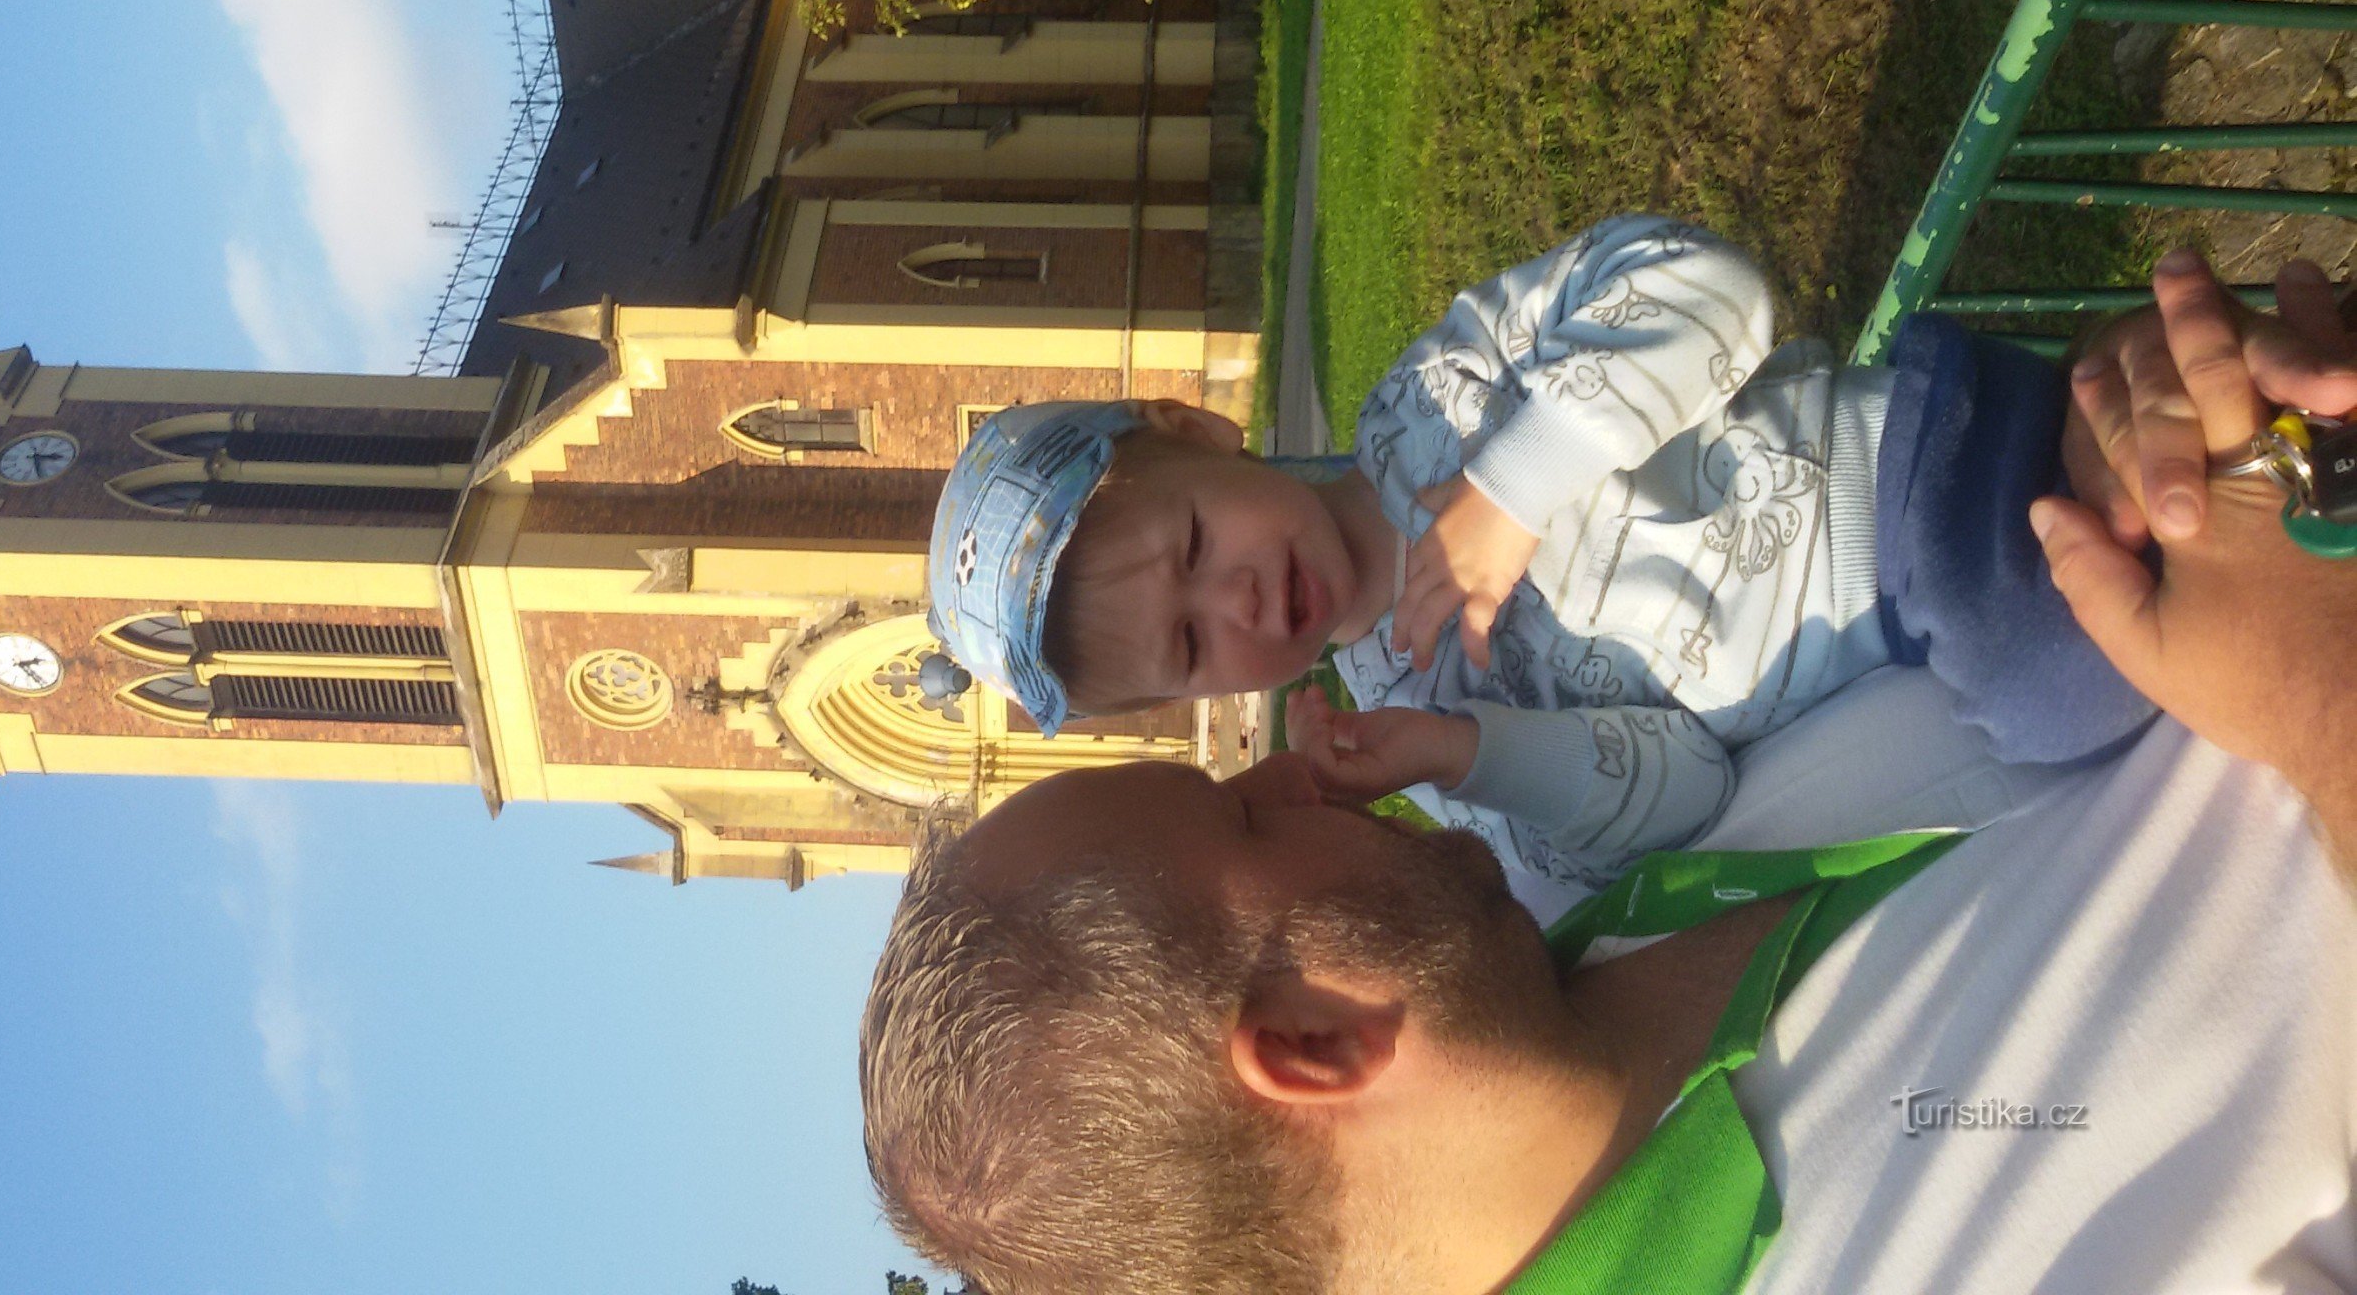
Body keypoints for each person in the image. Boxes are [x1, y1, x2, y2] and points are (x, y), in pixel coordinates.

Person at [861, 254, 2357, 1295]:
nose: (1307, 778)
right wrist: (2320, 689)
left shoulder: (1563, 933)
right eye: (1244, 811)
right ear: (1311, 1043)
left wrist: (2177, 456)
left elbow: (1792, 451)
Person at [925, 214, 2148, 907]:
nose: (1235, 599)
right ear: (1198, 701)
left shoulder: (1435, 400)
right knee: (2065, 786)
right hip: (1894, 674)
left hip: (1905, 479)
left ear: (1193, 428)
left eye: (1194, 544)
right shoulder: (1410, 713)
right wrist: (1473, 752)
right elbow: (1686, 793)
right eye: (1192, 645)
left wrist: (1513, 485)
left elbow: (1709, 288)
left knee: (2074, 677)